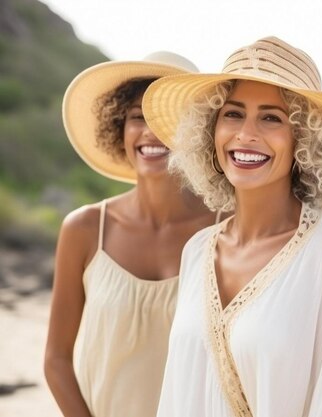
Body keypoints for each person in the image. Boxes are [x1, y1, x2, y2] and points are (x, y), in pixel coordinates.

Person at [141, 36, 322, 417]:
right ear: (210, 130)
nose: (246, 134)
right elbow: (175, 395)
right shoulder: (197, 250)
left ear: (306, 140)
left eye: (271, 117)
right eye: (232, 114)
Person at [44, 52, 219, 417]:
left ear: (195, 133)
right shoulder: (85, 229)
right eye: (138, 117)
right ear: (119, 128)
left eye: (166, 119)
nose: (150, 132)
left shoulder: (227, 228)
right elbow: (56, 360)